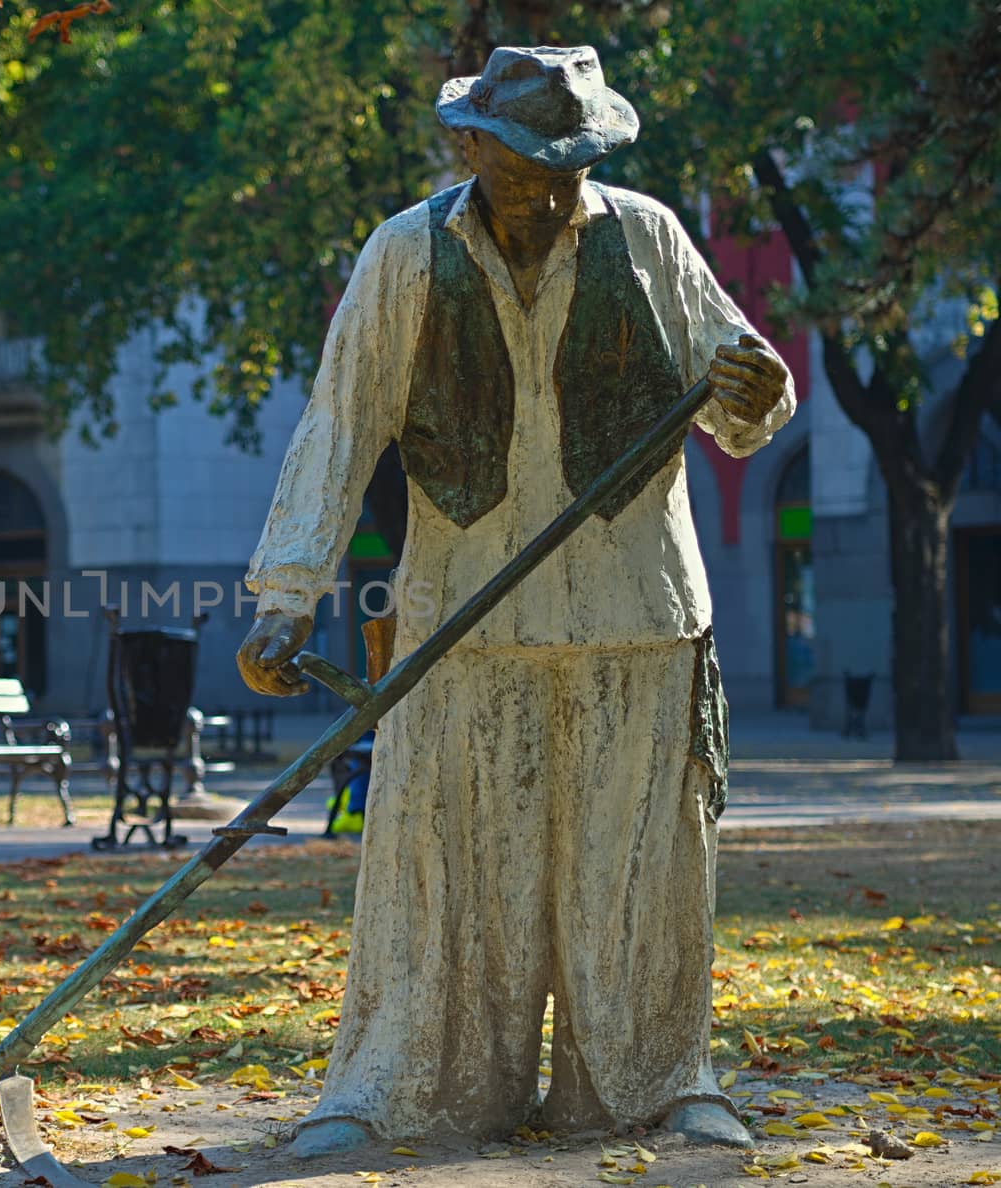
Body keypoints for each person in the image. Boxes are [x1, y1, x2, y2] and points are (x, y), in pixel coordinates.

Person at [237, 46, 793, 1156]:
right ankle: (402, 1085)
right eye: (526, 160)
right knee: (437, 869)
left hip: (637, 609)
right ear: (473, 147)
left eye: (569, 162)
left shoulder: (646, 237)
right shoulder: (404, 254)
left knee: (635, 869)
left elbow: (737, 395)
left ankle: (654, 1079)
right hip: (460, 620)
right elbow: (340, 423)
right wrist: (287, 595)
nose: (549, 184)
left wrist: (758, 386)